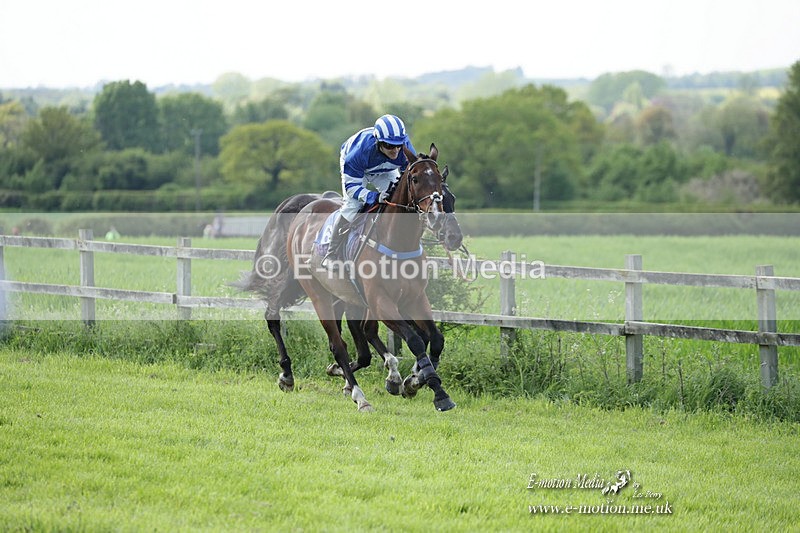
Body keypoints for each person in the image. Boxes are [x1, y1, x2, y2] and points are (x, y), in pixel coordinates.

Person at [322, 114, 417, 267]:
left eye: (398, 145)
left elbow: (410, 179)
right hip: (359, 168)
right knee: (353, 206)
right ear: (379, 142)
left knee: (398, 200)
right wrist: (375, 196)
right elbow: (352, 188)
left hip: (386, 169)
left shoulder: (405, 148)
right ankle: (331, 254)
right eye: (389, 146)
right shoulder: (359, 153)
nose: (395, 150)